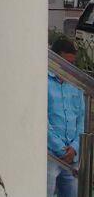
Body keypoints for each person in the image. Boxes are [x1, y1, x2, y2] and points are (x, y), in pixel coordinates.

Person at [48, 36, 85, 197]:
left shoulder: (76, 85)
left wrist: (75, 148)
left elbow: (81, 120)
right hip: (50, 154)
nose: (69, 69)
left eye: (72, 64)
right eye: (65, 64)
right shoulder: (43, 82)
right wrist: (59, 147)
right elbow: (41, 120)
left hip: (72, 156)